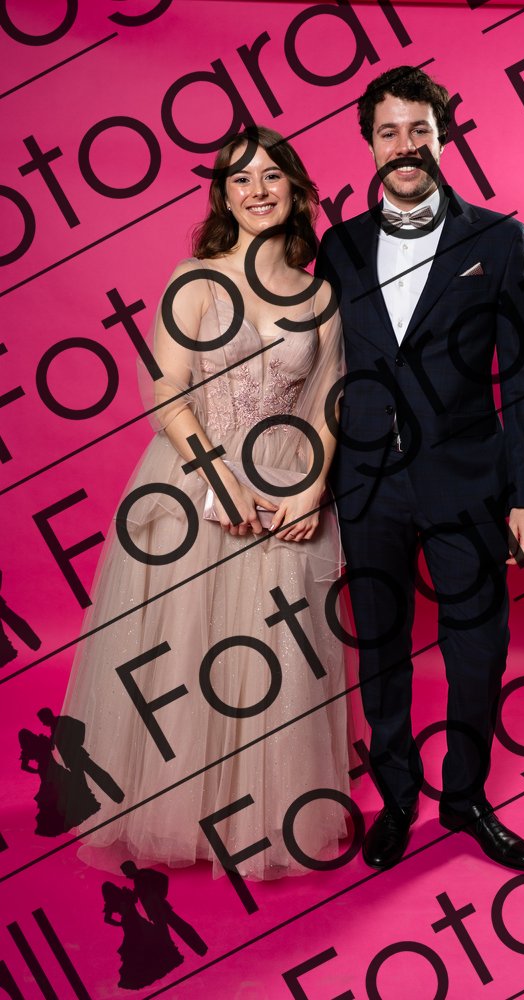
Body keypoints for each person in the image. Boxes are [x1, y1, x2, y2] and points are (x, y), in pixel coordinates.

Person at [60, 126, 357, 880]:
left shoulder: (322, 294)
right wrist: (217, 477)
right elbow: (167, 389)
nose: (257, 190)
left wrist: (313, 487)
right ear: (222, 196)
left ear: (296, 189)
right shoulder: (195, 279)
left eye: (271, 176)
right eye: (239, 179)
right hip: (195, 481)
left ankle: (256, 817)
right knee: (183, 651)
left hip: (285, 487)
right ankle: (174, 814)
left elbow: (331, 401)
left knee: (273, 655)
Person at [315, 66, 524, 871]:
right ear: (369, 144)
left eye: (419, 129)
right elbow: (319, 365)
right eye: (388, 131)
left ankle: (465, 797)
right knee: (380, 645)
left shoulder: (498, 239)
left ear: (443, 138)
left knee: (477, 645)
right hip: (366, 483)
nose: (404, 145)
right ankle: (397, 797)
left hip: (468, 480)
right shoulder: (339, 246)